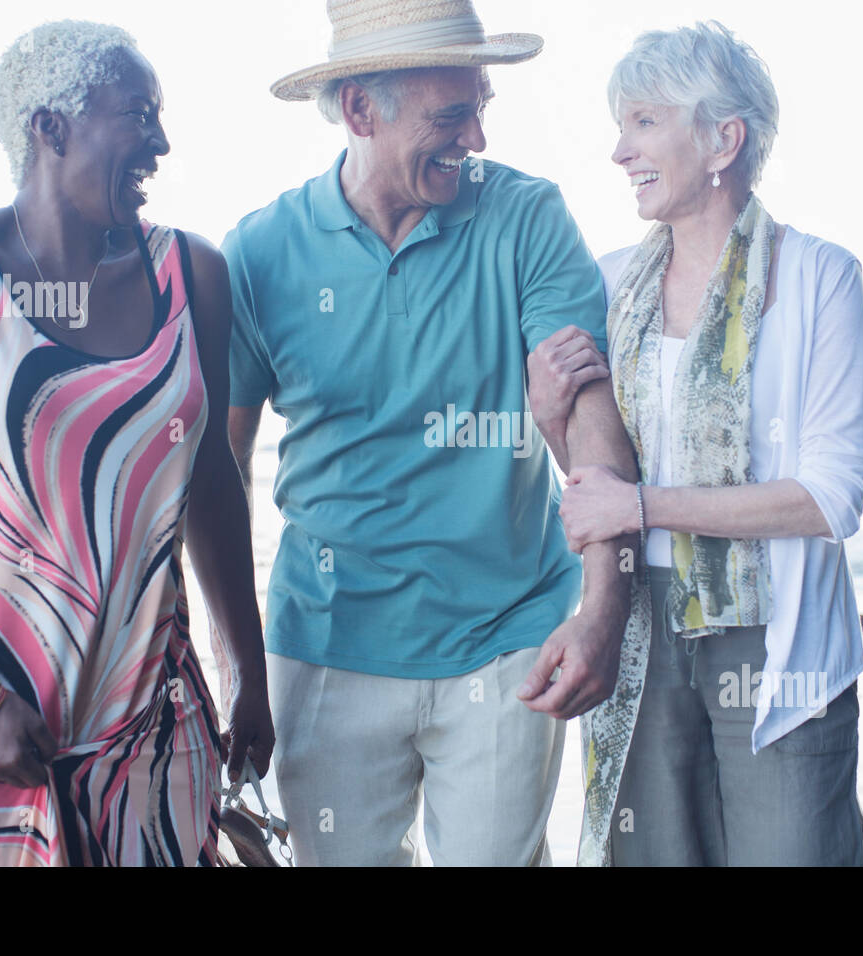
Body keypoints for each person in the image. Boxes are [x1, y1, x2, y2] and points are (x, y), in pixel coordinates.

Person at [222, 0, 638, 866]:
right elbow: (219, 474)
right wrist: (234, 670)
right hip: (327, 648)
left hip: (507, 640)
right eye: (451, 115)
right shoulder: (259, 254)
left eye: (482, 105)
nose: (478, 138)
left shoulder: (527, 218)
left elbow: (588, 416)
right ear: (359, 111)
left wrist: (604, 606)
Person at [0, 20, 273, 866]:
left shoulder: (190, 272)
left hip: (152, 720)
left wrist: (250, 671)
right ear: (49, 127)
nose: (162, 140)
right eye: (139, 114)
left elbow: (211, 486)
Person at [531, 22, 863, 866]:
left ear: (726, 138)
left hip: (778, 638)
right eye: (622, 125)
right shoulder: (610, 282)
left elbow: (831, 498)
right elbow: (596, 488)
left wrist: (643, 505)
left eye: (645, 122)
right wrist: (548, 418)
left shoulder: (819, 277)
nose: (620, 150)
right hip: (638, 622)